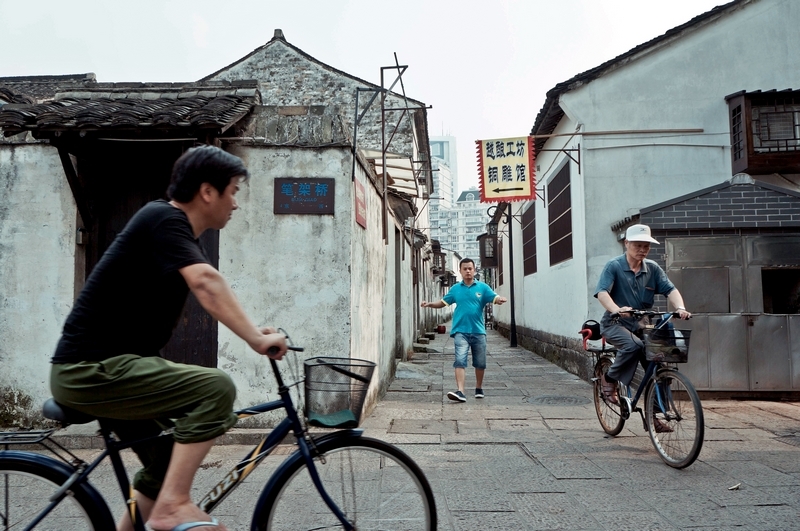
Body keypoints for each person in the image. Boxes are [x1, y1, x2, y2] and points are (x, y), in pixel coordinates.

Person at [50, 145, 287, 531]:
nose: (236, 204)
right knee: (216, 388)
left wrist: (253, 328)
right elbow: (207, 283)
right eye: (233, 192)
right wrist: (253, 340)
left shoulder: (170, 228)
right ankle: (174, 505)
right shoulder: (164, 218)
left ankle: (162, 502)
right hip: (90, 370)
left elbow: (208, 285)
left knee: (163, 462)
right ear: (208, 192)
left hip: (111, 369)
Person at [594, 223, 691, 430]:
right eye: (638, 245)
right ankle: (608, 379)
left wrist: (680, 307)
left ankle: (654, 416)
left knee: (660, 362)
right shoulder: (614, 266)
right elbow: (603, 293)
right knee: (634, 346)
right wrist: (617, 309)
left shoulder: (653, 269)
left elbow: (670, 290)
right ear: (626, 243)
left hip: (641, 325)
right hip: (615, 323)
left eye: (646, 246)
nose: (642, 250)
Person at [420, 258, 507, 402]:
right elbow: (442, 303)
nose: (468, 271)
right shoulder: (455, 289)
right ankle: (460, 391)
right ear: (460, 271)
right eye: (465, 269)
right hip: (460, 331)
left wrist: (499, 300)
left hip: (478, 331)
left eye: (470, 268)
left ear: (474, 270)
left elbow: (494, 297)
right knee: (460, 360)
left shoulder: (483, 287)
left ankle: (478, 387)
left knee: (480, 363)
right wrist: (429, 304)